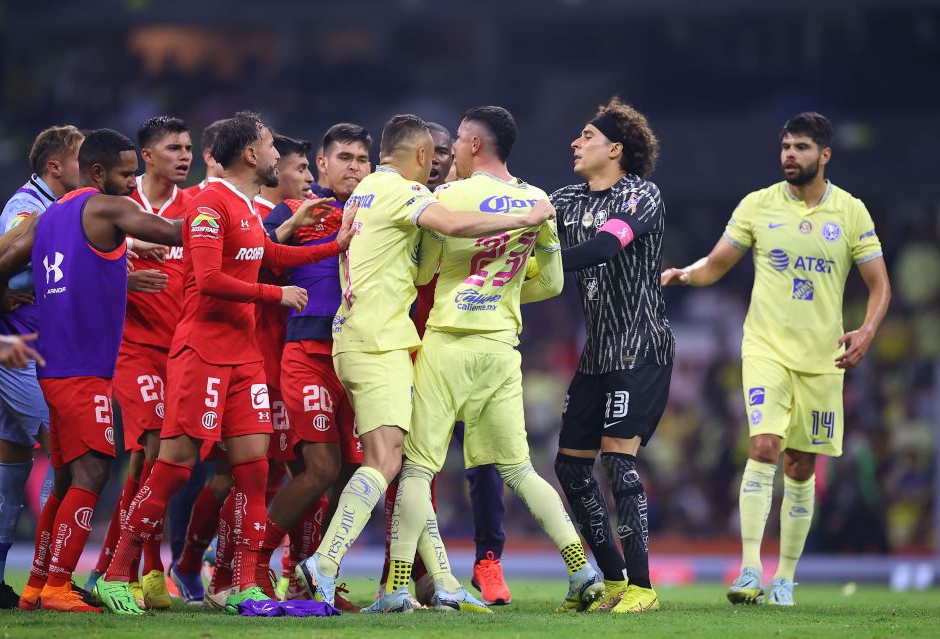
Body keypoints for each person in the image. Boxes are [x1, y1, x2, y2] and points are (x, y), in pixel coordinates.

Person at [94, 111, 355, 616]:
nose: (279, 155)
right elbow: (211, 279)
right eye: (269, 146)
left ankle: (247, 585)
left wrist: (334, 246)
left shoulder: (245, 208)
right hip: (202, 354)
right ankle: (114, 574)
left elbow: (270, 256)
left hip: (244, 359)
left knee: (255, 472)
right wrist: (274, 295)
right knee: (173, 468)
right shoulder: (210, 204)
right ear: (252, 155)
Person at [298, 113, 555, 608]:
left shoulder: (367, 188)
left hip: (359, 339)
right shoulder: (405, 192)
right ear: (419, 156)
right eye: (432, 156)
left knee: (412, 463)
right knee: (388, 461)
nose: (438, 164)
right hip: (380, 343)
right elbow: (455, 224)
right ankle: (325, 561)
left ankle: (427, 584)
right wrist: (525, 217)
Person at [371, 105, 604, 615]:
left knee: (416, 469)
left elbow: (425, 271)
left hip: (449, 342)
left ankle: (399, 585)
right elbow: (555, 280)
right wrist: (505, 292)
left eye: (456, 138)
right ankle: (582, 569)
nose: (450, 147)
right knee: (519, 469)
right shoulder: (537, 199)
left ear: (475, 144)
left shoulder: (448, 197)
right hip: (502, 347)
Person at [661, 112, 890, 607]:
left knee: (801, 466)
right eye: (786, 146)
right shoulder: (758, 205)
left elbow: (879, 284)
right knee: (764, 445)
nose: (790, 154)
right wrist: (686, 274)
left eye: (802, 147)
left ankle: (785, 576)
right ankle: (748, 570)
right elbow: (717, 262)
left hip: (824, 358)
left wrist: (866, 332)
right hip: (765, 348)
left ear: (824, 156)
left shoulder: (851, 213)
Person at [0, 128, 184, 613]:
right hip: (84, 371)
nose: (132, 181)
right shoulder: (107, 206)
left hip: (54, 368)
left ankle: (37, 585)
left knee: (65, 471)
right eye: (126, 173)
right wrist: (219, 217)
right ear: (98, 174)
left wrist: (6, 303)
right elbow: (171, 231)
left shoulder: (49, 216)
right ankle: (57, 586)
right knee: (94, 470)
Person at [551, 97, 673, 613]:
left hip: (640, 349)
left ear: (616, 148)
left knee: (618, 462)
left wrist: (541, 255)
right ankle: (615, 580)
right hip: (597, 356)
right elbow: (517, 217)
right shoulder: (565, 200)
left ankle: (643, 588)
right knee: (570, 468)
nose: (575, 144)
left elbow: (603, 249)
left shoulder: (642, 196)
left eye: (586, 136)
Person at [257, 124, 371, 611]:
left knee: (349, 473)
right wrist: (285, 227)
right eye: (343, 157)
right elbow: (252, 259)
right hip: (306, 353)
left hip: (360, 358)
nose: (353, 167)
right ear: (322, 165)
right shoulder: (296, 212)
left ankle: (314, 577)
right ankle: (253, 561)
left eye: (362, 159)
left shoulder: (377, 210)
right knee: (318, 468)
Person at [84, 116, 193, 608]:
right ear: (147, 155)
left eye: (190, 147)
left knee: (152, 459)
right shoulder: (119, 205)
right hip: (132, 348)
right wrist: (129, 245)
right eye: (174, 148)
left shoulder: (196, 206)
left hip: (182, 351)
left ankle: (117, 565)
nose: (185, 156)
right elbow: (77, 245)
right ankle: (145, 569)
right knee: (155, 446)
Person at [0, 124, 83, 609]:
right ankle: (49, 577)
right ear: (55, 166)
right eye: (80, 159)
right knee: (65, 455)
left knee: (13, 460)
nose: (88, 168)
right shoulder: (31, 208)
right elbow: (9, 257)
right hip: (20, 349)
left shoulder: (34, 203)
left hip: (17, 342)